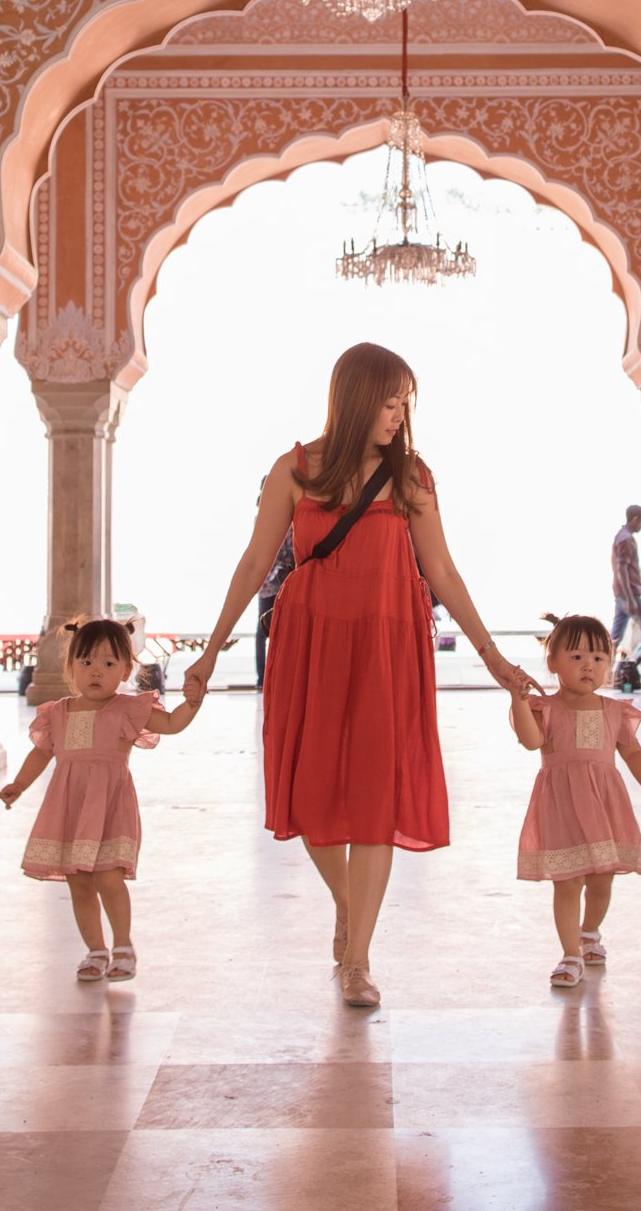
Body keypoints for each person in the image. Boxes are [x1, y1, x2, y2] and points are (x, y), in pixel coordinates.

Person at [182, 341, 538, 1013]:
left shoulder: (412, 477)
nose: (399, 415)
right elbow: (256, 561)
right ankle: (349, 908)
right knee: (314, 798)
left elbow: (443, 571)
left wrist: (492, 656)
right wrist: (209, 651)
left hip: (387, 645)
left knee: (375, 798)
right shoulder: (295, 470)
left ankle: (357, 958)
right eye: (388, 399)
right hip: (308, 641)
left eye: (406, 402)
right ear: (353, 397)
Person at [0, 616, 200, 981]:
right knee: (79, 882)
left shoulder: (127, 709)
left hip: (109, 806)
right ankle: (95, 950)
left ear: (125, 670)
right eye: (86, 662)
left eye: (108, 664)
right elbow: (42, 753)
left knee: (108, 877)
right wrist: (19, 784)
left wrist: (192, 703)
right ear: (70, 667)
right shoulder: (57, 713)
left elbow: (170, 725)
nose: (96, 672)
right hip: (69, 806)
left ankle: (123, 946)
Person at [512, 613, 641, 989]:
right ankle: (569, 954)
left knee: (601, 881)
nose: (588, 666)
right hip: (561, 805)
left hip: (603, 806)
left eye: (598, 659)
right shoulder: (543, 708)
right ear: (552, 662)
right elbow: (531, 742)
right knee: (567, 882)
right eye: (577, 657)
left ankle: (590, 932)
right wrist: (518, 700)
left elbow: (632, 753)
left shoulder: (614, 711)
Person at [610, 504, 641, 667]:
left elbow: (628, 571)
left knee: (615, 635)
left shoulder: (621, 536)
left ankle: (606, 668)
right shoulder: (626, 539)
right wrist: (630, 599)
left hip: (624, 592)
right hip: (628, 594)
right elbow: (622, 570)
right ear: (635, 520)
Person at [254, 528, 294, 693]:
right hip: (275, 586)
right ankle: (267, 677)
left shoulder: (263, 529)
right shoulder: (288, 528)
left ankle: (266, 678)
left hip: (274, 585)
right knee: (268, 632)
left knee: (267, 632)